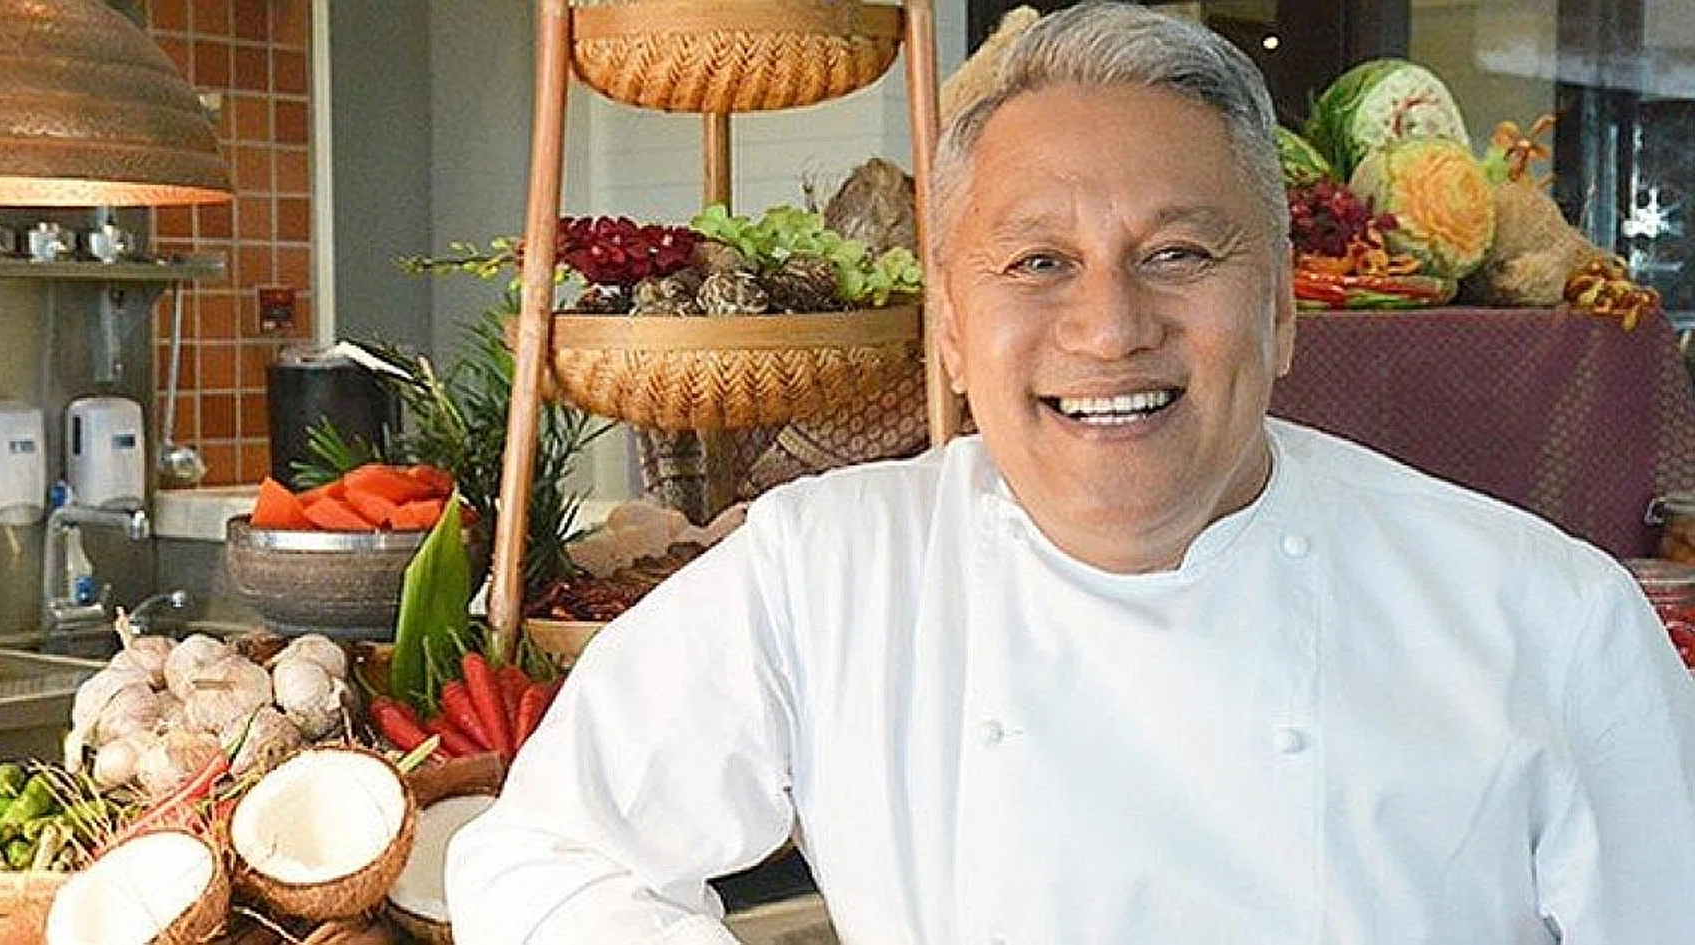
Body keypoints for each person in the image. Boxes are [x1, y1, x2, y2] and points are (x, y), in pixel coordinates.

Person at [447, 4, 1695, 942]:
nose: (1109, 329)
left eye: (1178, 253)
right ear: (946, 322)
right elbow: (541, 861)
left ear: (1280, 315)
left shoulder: (1549, 617)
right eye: (1037, 262)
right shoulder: (828, 568)